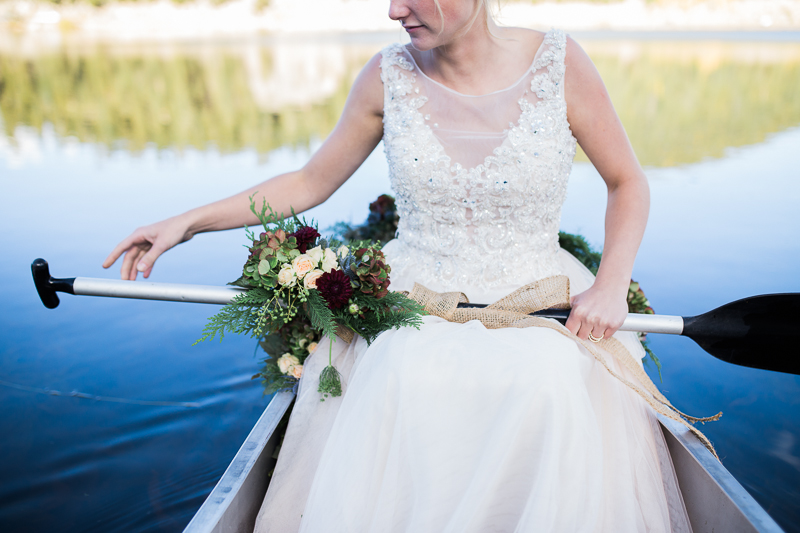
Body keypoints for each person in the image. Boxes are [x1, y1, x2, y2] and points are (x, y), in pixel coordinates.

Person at [105, 1, 695, 531]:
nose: (393, 10)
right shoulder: (386, 75)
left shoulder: (559, 62)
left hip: (537, 294)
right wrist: (186, 222)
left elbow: (627, 182)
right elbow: (311, 181)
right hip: (412, 293)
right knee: (402, 368)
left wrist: (612, 284)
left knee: (547, 382)